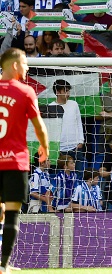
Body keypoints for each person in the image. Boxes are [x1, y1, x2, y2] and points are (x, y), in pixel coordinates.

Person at [0, 48, 49, 270]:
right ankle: (3, 266)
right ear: (15, 65)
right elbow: (39, 126)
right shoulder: (25, 91)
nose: (27, 67)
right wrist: (44, 146)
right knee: (12, 212)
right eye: (25, 63)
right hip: (15, 162)